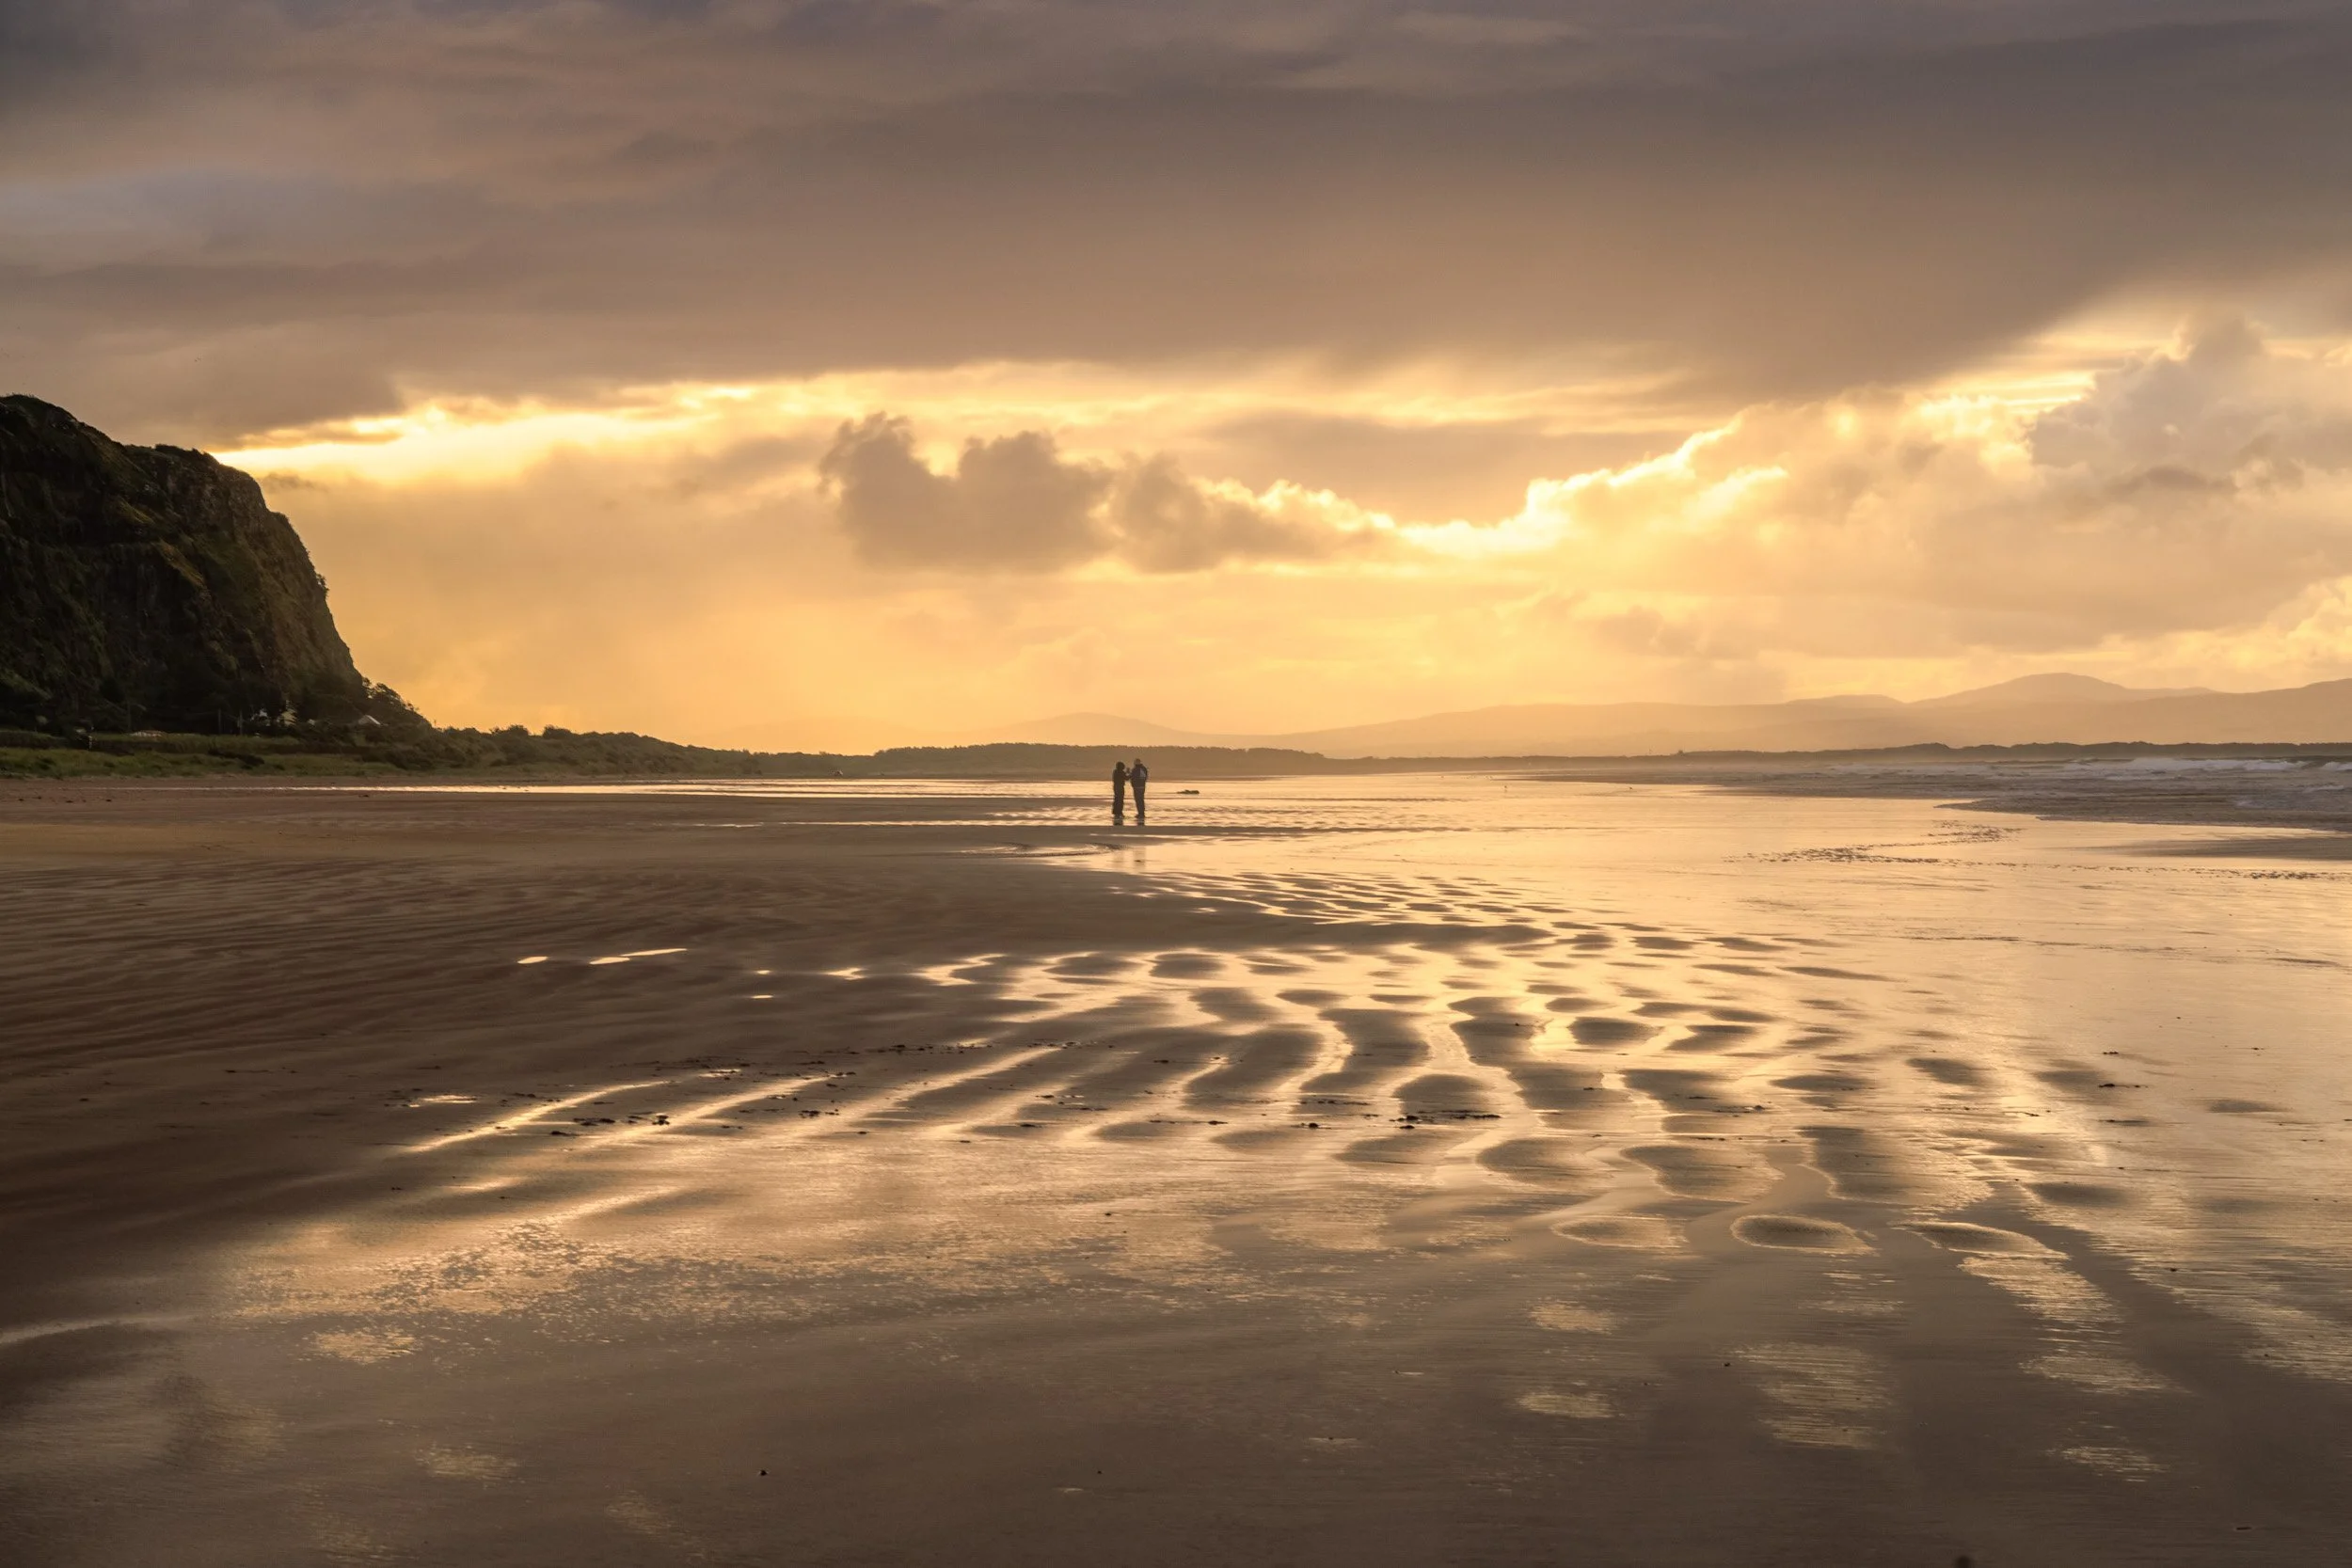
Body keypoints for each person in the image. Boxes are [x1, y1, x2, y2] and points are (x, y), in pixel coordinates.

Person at [1129, 757, 1149, 821]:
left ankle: (1140, 813)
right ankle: (1141, 813)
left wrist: (1133, 784)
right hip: (1142, 786)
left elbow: (1132, 777)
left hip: (1137, 787)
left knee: (1138, 800)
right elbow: (1145, 777)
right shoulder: (1144, 769)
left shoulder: (1135, 769)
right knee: (1141, 800)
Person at [1110, 758, 1129, 823]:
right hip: (1120, 787)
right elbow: (1126, 778)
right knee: (1120, 800)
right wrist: (1130, 774)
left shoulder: (1115, 771)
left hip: (1115, 787)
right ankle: (1119, 812)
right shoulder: (1121, 772)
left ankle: (1116, 812)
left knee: (1116, 799)